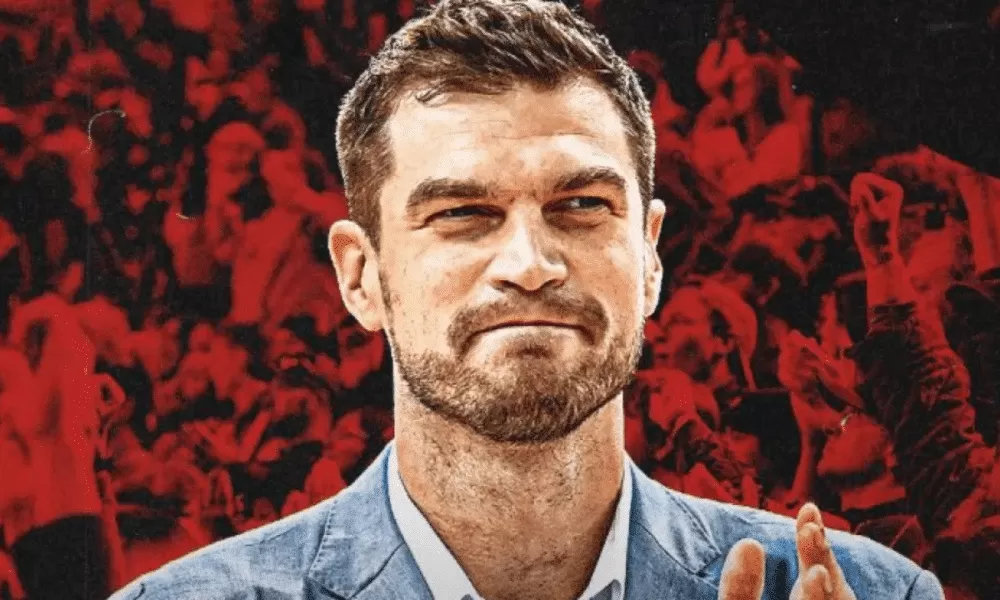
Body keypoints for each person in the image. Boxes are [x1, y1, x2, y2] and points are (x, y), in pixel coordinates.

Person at [108, 1, 944, 599]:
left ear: (650, 256)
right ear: (360, 276)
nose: (531, 264)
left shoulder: (876, 592)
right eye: (462, 214)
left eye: (581, 205)